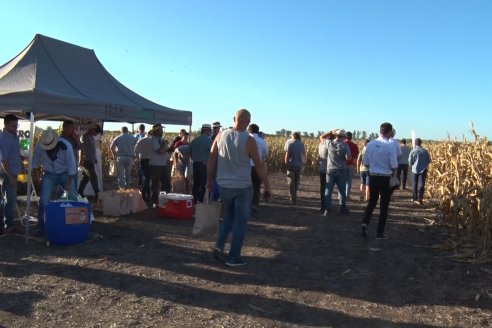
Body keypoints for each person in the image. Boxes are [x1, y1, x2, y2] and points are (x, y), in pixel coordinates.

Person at [207, 109, 271, 267]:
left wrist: (209, 180)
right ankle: (233, 257)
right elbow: (259, 164)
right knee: (240, 223)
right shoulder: (249, 140)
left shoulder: (220, 135)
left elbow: (212, 157)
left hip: (223, 185)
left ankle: (219, 247)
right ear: (248, 122)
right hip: (242, 186)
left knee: (228, 217)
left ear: (234, 118)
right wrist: (267, 185)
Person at [32, 128, 77, 235]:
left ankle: (73, 224)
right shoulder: (40, 145)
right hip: (49, 173)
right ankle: (41, 226)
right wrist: (37, 177)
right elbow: (35, 163)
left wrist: (69, 183)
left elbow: (72, 167)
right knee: (44, 200)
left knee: (72, 197)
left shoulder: (66, 146)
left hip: (65, 173)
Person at [361, 122, 398, 239]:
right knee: (384, 206)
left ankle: (364, 224)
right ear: (389, 131)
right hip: (385, 178)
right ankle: (379, 232)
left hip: (373, 177)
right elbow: (394, 164)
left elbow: (365, 162)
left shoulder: (371, 144)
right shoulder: (390, 146)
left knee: (372, 202)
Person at [0, 114, 22, 234]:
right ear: (6, 124)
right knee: (9, 200)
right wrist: (11, 176)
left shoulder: (13, 136)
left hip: (11, 172)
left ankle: (6, 224)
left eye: (17, 125)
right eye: (14, 125)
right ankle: (7, 225)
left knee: (8, 200)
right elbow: (4, 160)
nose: (16, 128)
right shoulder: (5, 138)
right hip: (7, 173)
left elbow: (12, 154)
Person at [323, 129, 351, 215]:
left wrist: (331, 131)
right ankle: (342, 208)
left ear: (336, 136)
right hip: (341, 170)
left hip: (330, 170)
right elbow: (348, 158)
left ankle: (327, 209)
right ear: (343, 137)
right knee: (342, 191)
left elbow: (322, 136)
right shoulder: (345, 145)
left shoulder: (329, 143)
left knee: (328, 190)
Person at [248, 123, 268, 212]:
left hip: (246, 167)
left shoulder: (244, 139)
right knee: (256, 186)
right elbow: (265, 155)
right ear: (257, 131)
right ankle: (254, 204)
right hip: (257, 167)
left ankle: (246, 204)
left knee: (246, 186)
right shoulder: (262, 141)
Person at [149, 124, 171, 204]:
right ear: (157, 131)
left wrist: (168, 148)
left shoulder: (161, 139)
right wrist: (165, 145)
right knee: (155, 185)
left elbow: (164, 150)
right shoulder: (153, 139)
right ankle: (154, 201)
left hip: (162, 164)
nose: (162, 131)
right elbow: (160, 151)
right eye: (161, 130)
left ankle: (164, 200)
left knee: (166, 183)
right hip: (155, 164)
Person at [190, 124, 212, 203]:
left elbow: (190, 153)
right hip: (204, 165)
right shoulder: (208, 141)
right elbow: (213, 153)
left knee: (196, 184)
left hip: (195, 164)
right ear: (207, 131)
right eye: (210, 130)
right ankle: (202, 201)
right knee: (204, 184)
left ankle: (194, 201)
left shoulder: (194, 141)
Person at [78, 124, 99, 200]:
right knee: (93, 177)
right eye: (96, 132)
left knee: (86, 178)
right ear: (92, 129)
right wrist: (81, 159)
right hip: (87, 160)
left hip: (90, 160)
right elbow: (82, 148)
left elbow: (91, 149)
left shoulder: (91, 136)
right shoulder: (85, 136)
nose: (97, 134)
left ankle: (79, 192)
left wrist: (94, 158)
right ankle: (97, 194)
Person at [409, 138, 432, 205]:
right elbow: (429, 161)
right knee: (422, 184)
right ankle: (420, 198)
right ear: (421, 143)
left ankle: (414, 198)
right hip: (423, 169)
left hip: (415, 170)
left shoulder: (413, 151)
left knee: (415, 184)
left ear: (415, 143)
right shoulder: (425, 151)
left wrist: (412, 165)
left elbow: (410, 162)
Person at [284, 132, 305, 205]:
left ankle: (293, 198)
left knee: (291, 182)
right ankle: (294, 195)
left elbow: (287, 156)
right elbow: (303, 155)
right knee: (296, 182)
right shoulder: (302, 144)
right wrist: (303, 164)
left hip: (291, 165)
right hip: (299, 166)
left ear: (293, 136)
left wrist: (286, 164)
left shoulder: (290, 143)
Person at [60, 120, 81, 190]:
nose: (73, 130)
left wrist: (77, 139)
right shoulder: (61, 140)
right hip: (64, 167)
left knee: (73, 186)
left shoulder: (72, 138)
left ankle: (72, 198)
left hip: (73, 166)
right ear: (66, 129)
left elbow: (80, 147)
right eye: (72, 128)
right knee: (64, 188)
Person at [134, 131, 153, 203]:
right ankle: (145, 193)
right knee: (148, 178)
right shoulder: (153, 141)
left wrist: (136, 158)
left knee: (147, 177)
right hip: (151, 160)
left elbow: (136, 150)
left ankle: (146, 193)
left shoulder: (141, 140)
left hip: (142, 159)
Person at [318, 131, 334, 212]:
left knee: (322, 188)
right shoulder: (330, 145)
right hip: (328, 169)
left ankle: (322, 206)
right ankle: (326, 206)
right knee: (328, 189)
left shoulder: (321, 143)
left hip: (321, 169)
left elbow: (321, 136)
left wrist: (330, 132)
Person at [344, 131, 359, 199]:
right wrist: (355, 164)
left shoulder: (342, 144)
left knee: (342, 180)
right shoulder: (354, 145)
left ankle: (341, 195)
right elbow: (356, 156)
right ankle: (347, 195)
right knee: (349, 181)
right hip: (351, 165)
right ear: (351, 137)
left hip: (343, 164)